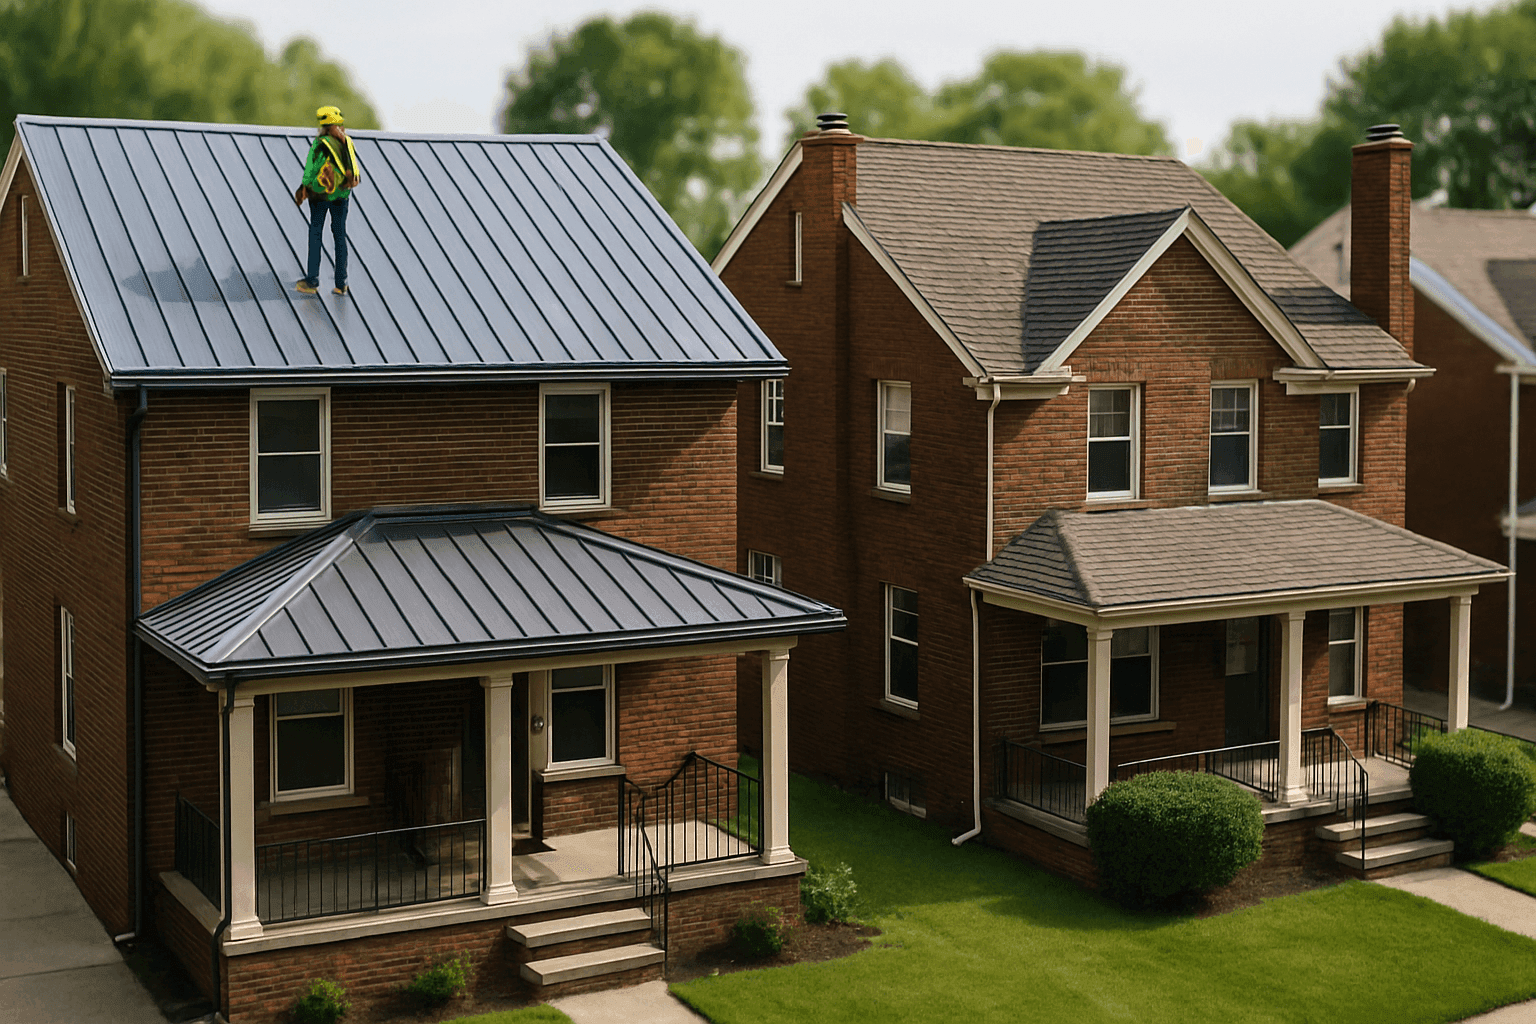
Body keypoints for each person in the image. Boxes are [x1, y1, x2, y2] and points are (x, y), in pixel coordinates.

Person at [295, 105, 362, 296]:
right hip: (342, 196)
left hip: (320, 196)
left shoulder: (320, 144)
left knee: (316, 233)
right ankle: (341, 284)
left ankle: (312, 281)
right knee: (340, 236)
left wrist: (304, 187)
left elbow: (311, 169)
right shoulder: (347, 142)